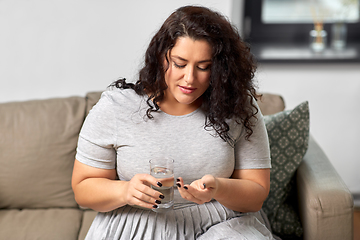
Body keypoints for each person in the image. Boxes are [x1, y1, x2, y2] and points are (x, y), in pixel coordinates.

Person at [72, 5, 275, 240]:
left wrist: (218, 188)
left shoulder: (239, 107)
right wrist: (125, 191)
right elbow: (83, 189)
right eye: (179, 64)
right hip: (138, 225)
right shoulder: (116, 107)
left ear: (220, 69)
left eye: (204, 67)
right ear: (161, 57)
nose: (190, 78)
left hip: (221, 226)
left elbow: (256, 194)